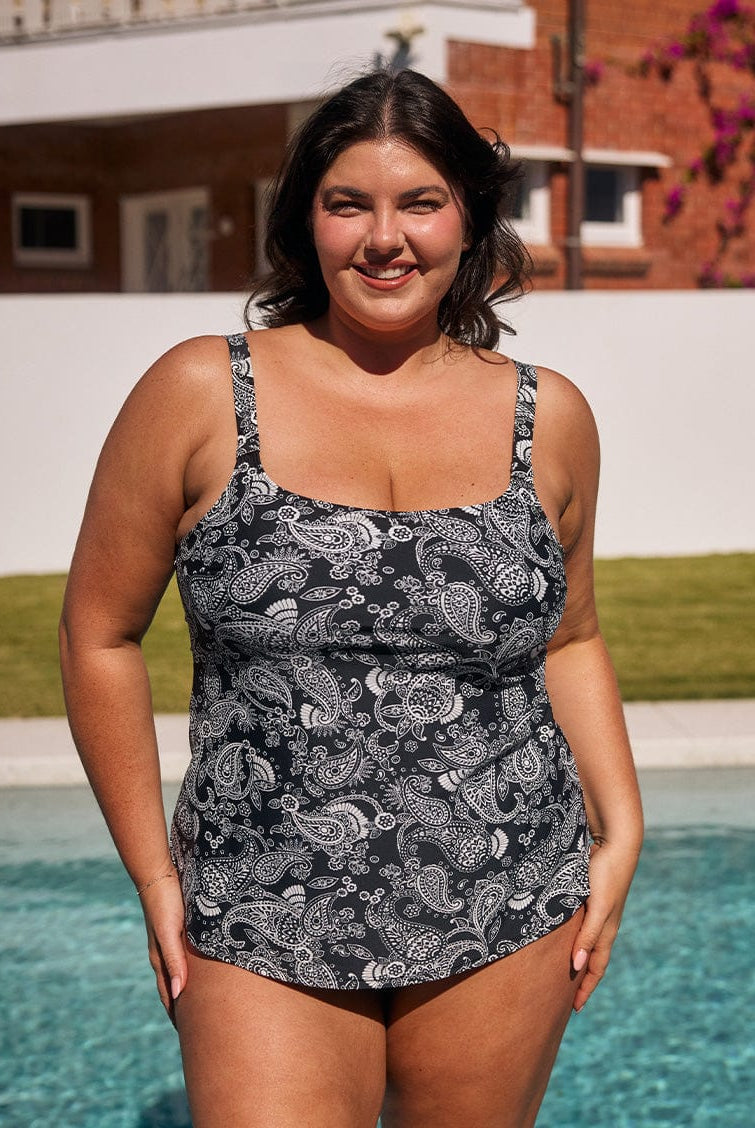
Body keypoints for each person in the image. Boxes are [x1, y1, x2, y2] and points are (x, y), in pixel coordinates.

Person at [60, 68, 643, 1128]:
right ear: (306, 224)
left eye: (419, 201)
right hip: (255, 902)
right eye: (348, 204)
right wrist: (154, 875)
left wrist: (624, 827)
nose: (385, 237)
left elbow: (571, 637)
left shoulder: (546, 418)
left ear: (468, 217)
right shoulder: (199, 392)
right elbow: (98, 632)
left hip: (508, 889)